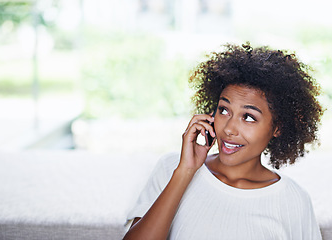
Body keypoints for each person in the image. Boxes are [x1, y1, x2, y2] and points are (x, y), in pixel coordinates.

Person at [123, 43, 324, 240]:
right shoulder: (171, 169)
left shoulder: (293, 201)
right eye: (224, 110)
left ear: (278, 127)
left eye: (248, 117)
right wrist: (185, 172)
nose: (228, 129)